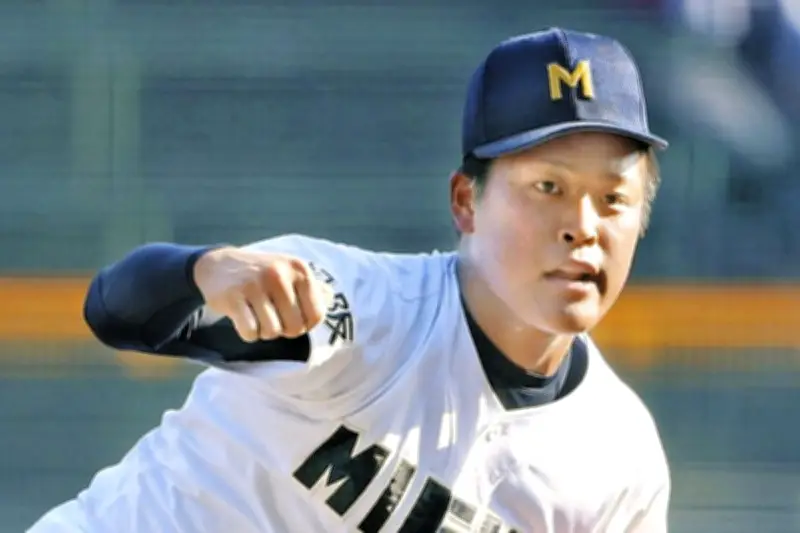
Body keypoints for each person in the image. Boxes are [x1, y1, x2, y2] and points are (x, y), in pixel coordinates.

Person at [29, 27, 671, 533]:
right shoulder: (360, 312)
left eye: (613, 199)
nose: (582, 226)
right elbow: (118, 310)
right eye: (548, 187)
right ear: (466, 203)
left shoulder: (619, 459)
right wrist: (206, 271)